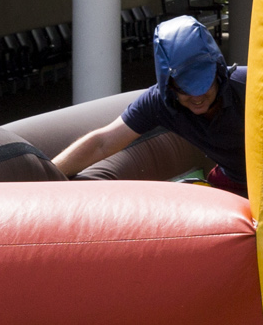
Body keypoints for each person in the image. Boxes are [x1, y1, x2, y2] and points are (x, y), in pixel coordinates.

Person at [49, 16, 248, 194]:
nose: (197, 97)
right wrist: (47, 177)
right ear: (168, 85)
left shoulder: (249, 85)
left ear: (218, 71)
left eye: (205, 85)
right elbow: (102, 143)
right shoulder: (159, 102)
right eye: (184, 88)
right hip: (233, 179)